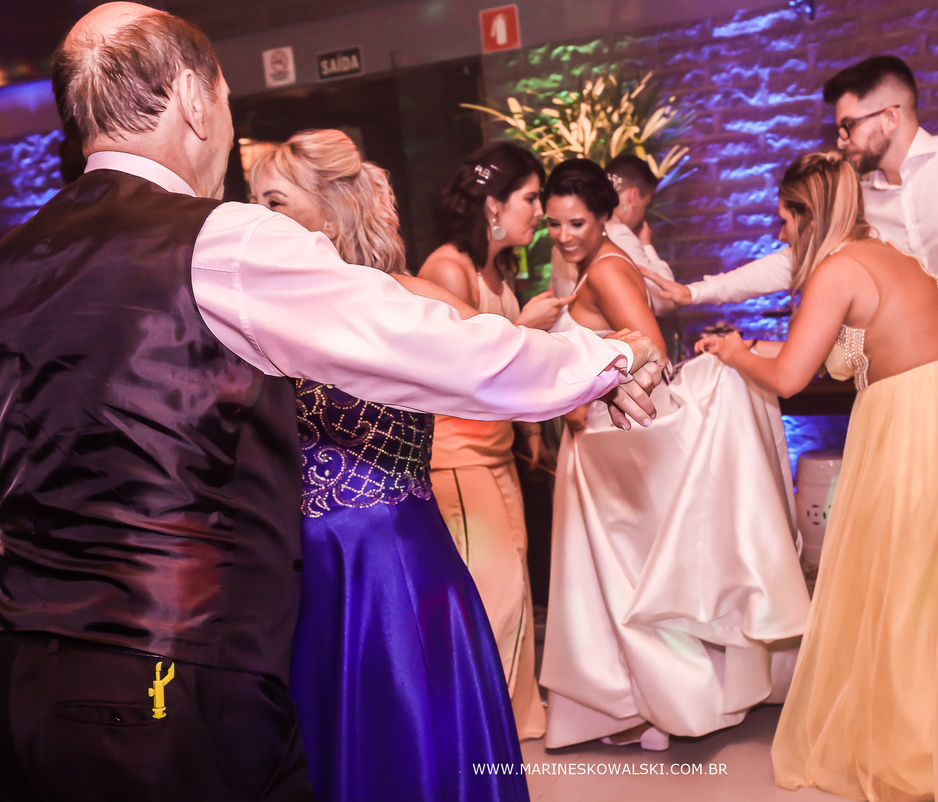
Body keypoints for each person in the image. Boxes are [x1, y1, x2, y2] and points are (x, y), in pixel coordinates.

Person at [0, 6, 663, 801]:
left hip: (27, 675)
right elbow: (439, 350)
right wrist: (611, 357)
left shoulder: (15, 258)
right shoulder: (224, 241)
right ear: (195, 99)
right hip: (184, 673)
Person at [645, 54, 938, 763]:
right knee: (937, 538)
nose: (840, 139)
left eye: (847, 124)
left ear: (890, 114)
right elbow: (798, 257)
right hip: (929, 377)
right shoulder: (856, 199)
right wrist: (697, 292)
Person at [697, 151, 938, 801]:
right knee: (923, 589)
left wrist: (736, 355)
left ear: (808, 215)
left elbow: (789, 377)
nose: (780, 232)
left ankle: (912, 763)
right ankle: (913, 735)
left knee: (904, 591)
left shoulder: (836, 269)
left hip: (915, 429)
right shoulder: (884, 253)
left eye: (785, 219)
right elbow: (815, 354)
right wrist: (741, 350)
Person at [247, 129, 528, 802]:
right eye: (252, 201)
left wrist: (600, 366)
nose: (258, 217)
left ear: (330, 211)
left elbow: (504, 357)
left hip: (391, 563)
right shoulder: (260, 314)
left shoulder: (402, 297)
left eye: (275, 201)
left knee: (411, 738)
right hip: (304, 570)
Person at [539, 158, 809, 752]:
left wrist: (581, 381)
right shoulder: (600, 263)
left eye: (576, 223)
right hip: (602, 438)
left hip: (612, 439)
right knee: (624, 578)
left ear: (605, 216)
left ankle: (657, 703)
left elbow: (652, 353)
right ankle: (649, 701)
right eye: (553, 224)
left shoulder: (606, 270)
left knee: (626, 580)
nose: (563, 236)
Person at [417, 142, 565, 741]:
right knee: (491, 595)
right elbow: (449, 366)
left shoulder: (497, 270)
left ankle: (514, 718)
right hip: (456, 458)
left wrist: (529, 430)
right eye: (531, 198)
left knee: (516, 588)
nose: (540, 211)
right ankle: (477, 732)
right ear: (493, 205)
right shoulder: (447, 268)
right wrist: (525, 327)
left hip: (496, 453)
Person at [550, 154, 674, 314]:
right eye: (646, 206)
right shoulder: (618, 236)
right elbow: (666, 300)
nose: (643, 215)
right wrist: (646, 245)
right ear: (634, 196)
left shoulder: (562, 239)